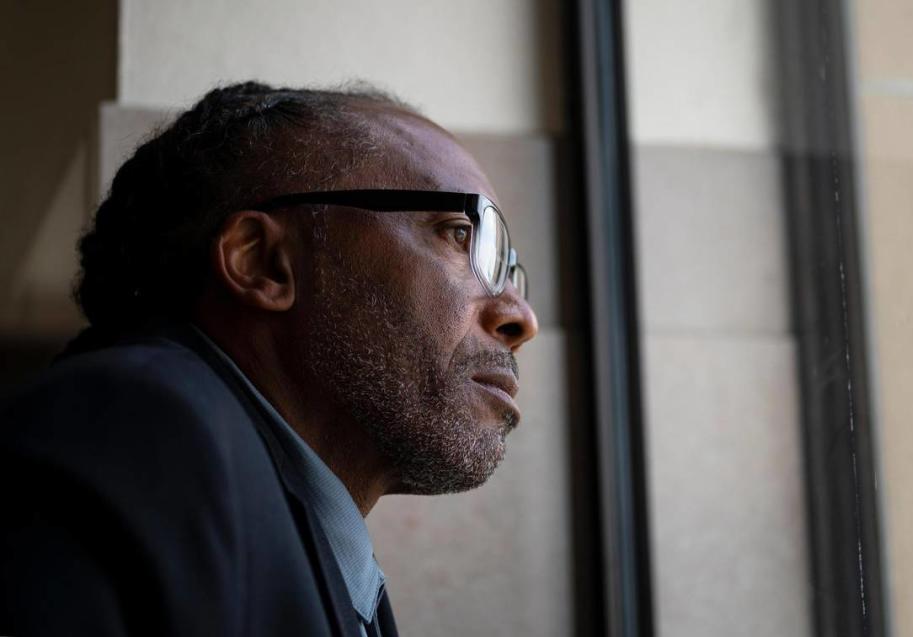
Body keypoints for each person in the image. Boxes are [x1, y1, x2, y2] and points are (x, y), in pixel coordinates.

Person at [0, 82, 538, 636]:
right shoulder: (136, 428)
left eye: (508, 266)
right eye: (461, 234)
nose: (521, 316)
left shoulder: (305, 535)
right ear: (264, 262)